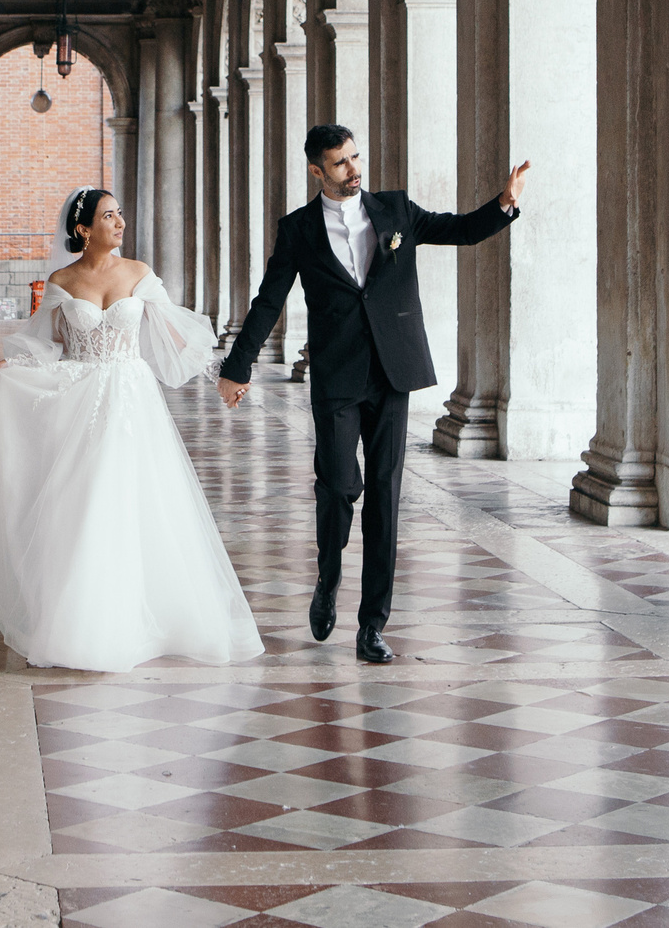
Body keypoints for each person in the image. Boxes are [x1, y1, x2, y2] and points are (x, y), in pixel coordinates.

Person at [0, 188, 263, 671]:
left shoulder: (139, 274)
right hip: (78, 399)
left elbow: (176, 337)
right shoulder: (61, 280)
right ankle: (76, 624)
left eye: (120, 213)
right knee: (82, 506)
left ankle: (146, 618)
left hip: (132, 401)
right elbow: (46, 342)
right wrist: (10, 367)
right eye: (108, 215)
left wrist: (224, 375)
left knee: (133, 502)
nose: (120, 222)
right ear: (83, 229)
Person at [220, 125, 528, 664]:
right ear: (318, 171)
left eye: (355, 158)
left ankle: (372, 626)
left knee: (385, 496)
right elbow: (269, 300)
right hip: (337, 375)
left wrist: (502, 205)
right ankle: (328, 577)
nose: (354, 170)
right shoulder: (297, 230)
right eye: (340, 164)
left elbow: (458, 230)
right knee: (339, 486)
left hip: (393, 370)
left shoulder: (395, 210)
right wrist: (237, 365)